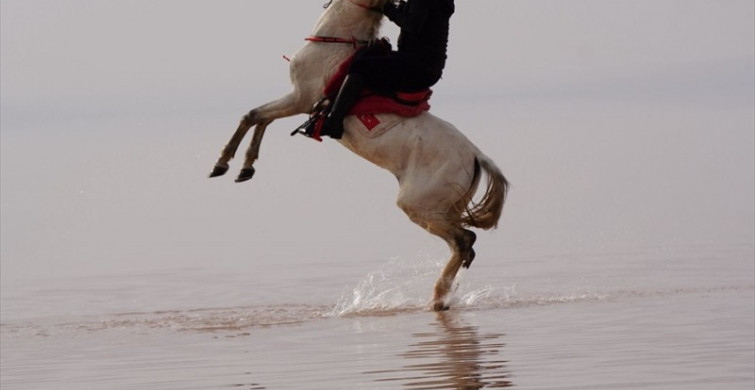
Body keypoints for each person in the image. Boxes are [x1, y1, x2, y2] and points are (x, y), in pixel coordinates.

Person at [319, 0, 456, 139]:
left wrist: (389, 9)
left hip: (415, 67)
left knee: (360, 66)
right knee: (368, 52)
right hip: (425, 66)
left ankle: (334, 122)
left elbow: (413, 25)